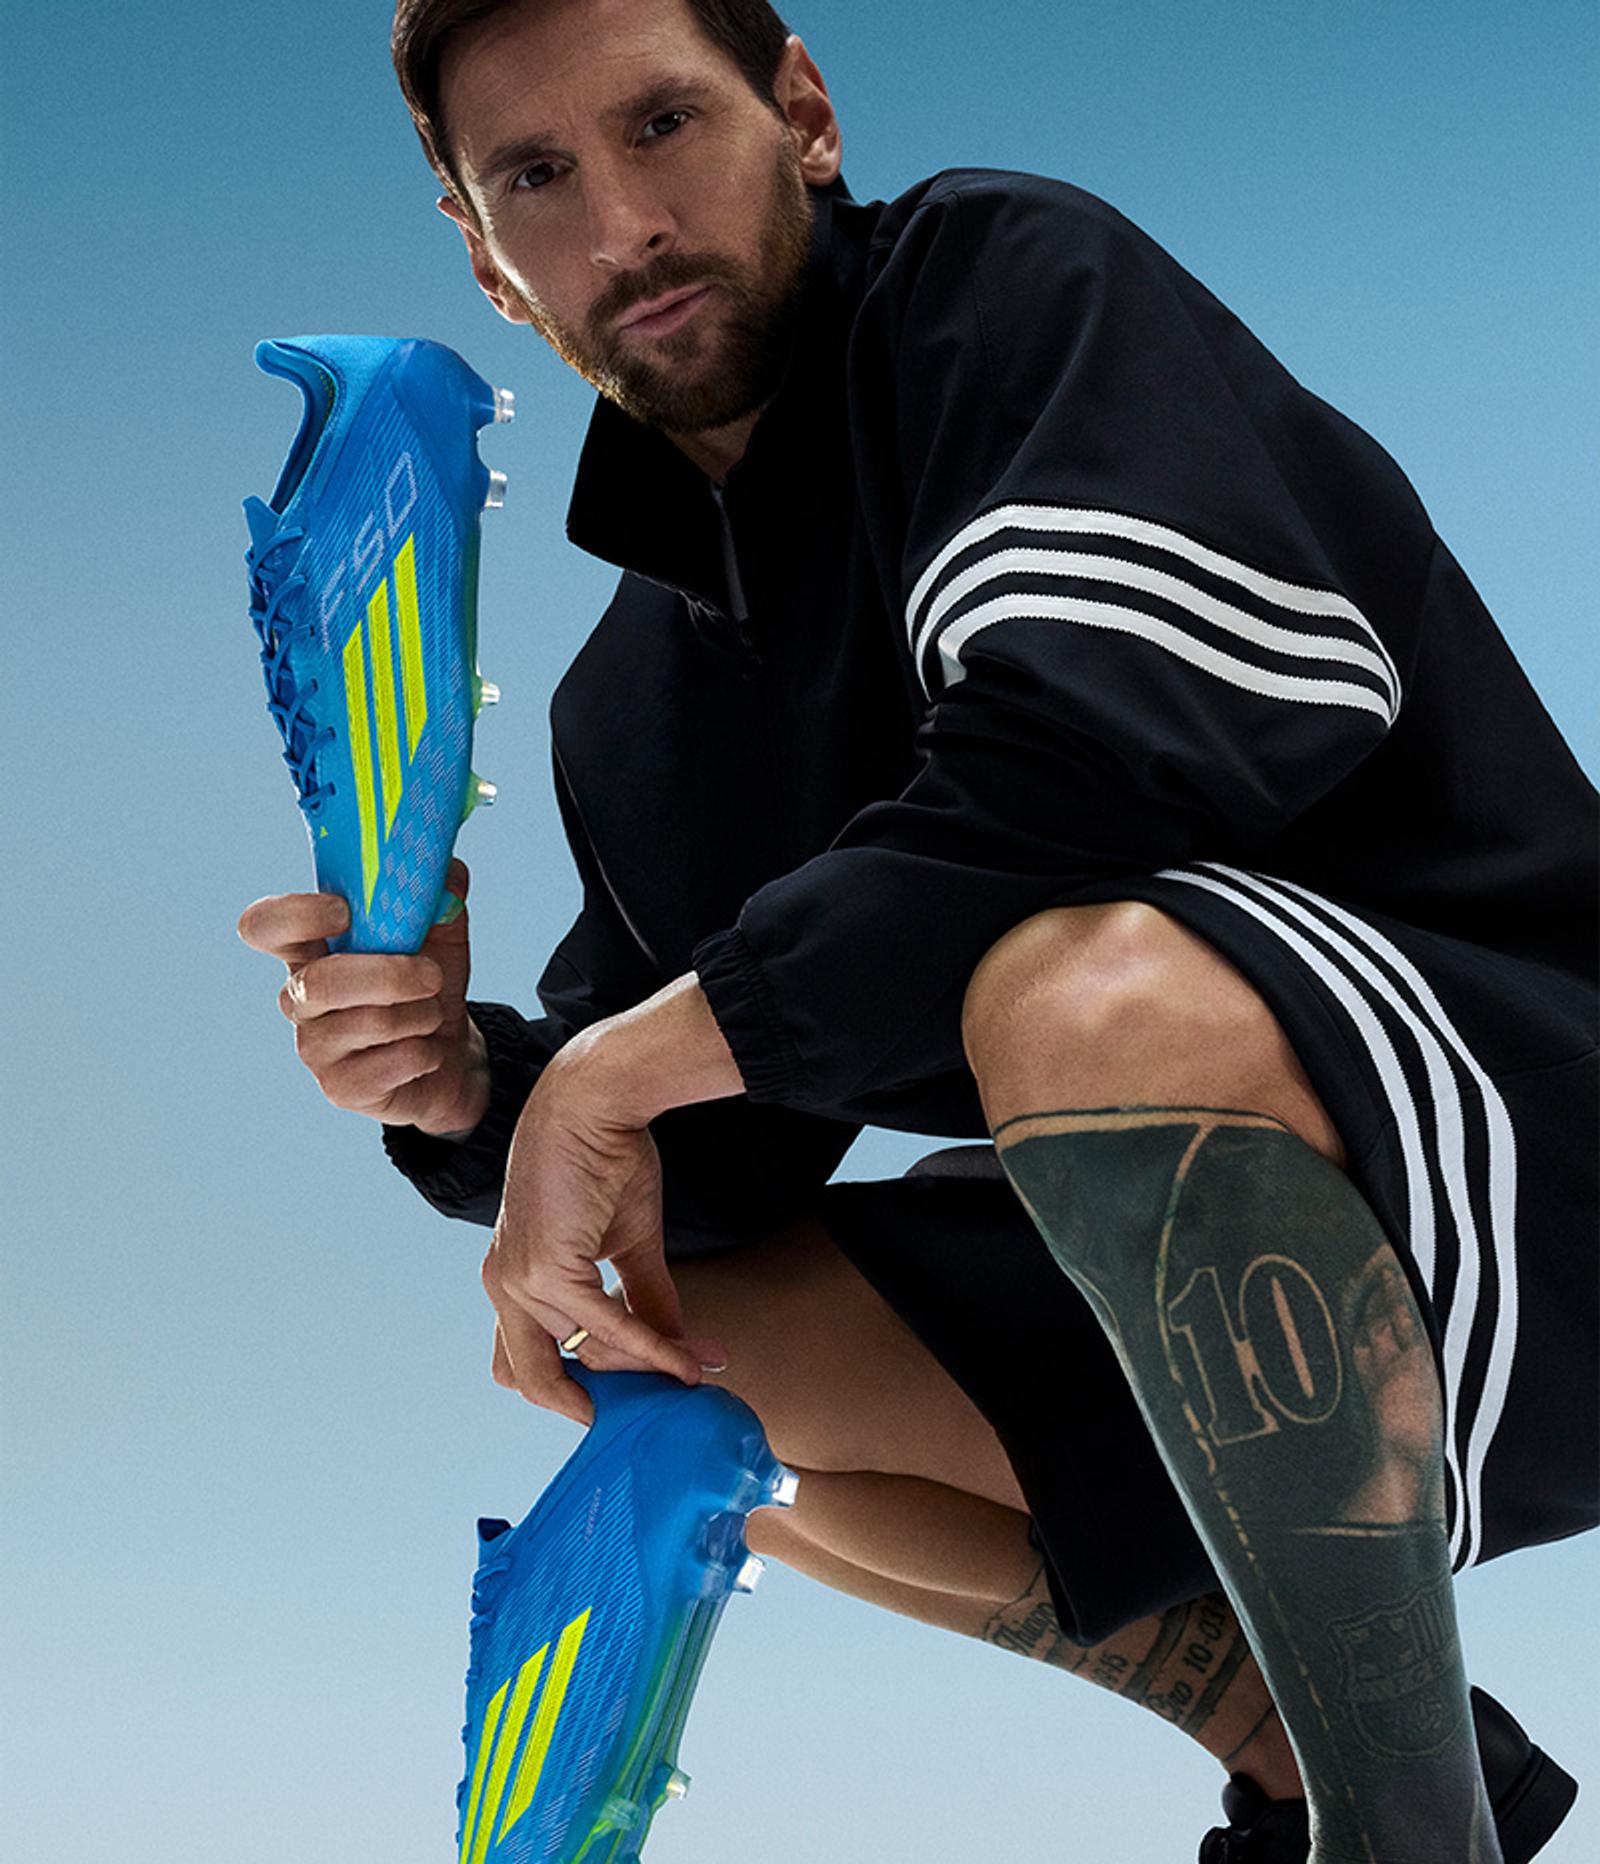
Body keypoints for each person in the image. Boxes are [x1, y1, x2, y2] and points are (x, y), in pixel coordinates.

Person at [238, 1, 1597, 1857]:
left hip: (1547, 1165)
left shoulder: (1008, 292)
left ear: (799, 110)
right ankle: (1326, 1758)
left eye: (662, 126)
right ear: (487, 260)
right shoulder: (637, 699)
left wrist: (615, 1078)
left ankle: (1401, 1846)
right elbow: (714, 1152)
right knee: (674, 1345)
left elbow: (1091, 763)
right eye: (539, 176)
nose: (622, 222)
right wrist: (471, 1083)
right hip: (1273, 1316)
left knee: (1083, 993)